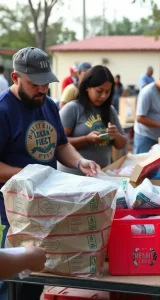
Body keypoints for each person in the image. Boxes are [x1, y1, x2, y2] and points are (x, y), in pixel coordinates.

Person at [0, 47, 99, 300]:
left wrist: (80, 162)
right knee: (11, 283)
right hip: (14, 213)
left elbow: (62, 145)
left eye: (46, 83)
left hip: (47, 209)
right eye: (35, 84)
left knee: (37, 276)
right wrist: (32, 173)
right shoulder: (3, 111)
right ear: (15, 78)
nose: (42, 89)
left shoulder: (49, 105)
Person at [59, 65, 127, 174]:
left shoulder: (110, 110)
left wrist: (115, 135)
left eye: (107, 91)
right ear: (87, 87)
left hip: (101, 174)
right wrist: (86, 139)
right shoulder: (72, 109)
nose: (103, 96)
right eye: (99, 91)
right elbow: (59, 143)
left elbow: (121, 144)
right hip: (73, 177)